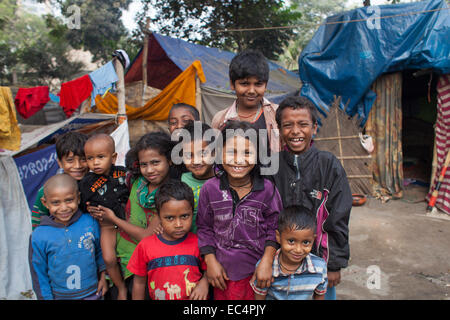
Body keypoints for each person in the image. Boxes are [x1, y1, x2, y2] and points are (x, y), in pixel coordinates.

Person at [272, 95, 352, 300]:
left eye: (303, 124)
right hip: (277, 263)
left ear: (314, 128)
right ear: (280, 131)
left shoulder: (329, 165)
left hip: (318, 263)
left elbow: (339, 216)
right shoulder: (271, 166)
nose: (296, 131)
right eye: (288, 125)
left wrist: (334, 264)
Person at [196, 120, 283, 300]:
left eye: (247, 153)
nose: (239, 159)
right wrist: (210, 261)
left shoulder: (268, 190)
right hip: (222, 275)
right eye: (231, 152)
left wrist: (266, 261)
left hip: (258, 274)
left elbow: (274, 229)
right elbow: (204, 228)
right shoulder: (209, 189)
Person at [94, 131, 174, 299]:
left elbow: (146, 237)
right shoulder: (136, 182)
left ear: (170, 160)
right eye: (144, 164)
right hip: (120, 258)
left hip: (143, 268)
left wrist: (113, 219)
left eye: (155, 162)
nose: (150, 170)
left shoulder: (170, 195)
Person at [29, 174, 107, 300]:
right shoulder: (39, 235)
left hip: (93, 294)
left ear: (78, 198)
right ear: (45, 203)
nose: (63, 208)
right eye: (55, 203)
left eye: (69, 200)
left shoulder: (90, 222)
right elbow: (39, 274)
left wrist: (104, 278)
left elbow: (100, 252)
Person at [127, 180, 209, 300]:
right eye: (170, 218)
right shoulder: (146, 246)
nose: (178, 224)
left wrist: (204, 283)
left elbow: (210, 270)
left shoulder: (199, 243)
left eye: (185, 216)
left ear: (192, 213)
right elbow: (139, 283)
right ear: (159, 216)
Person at [78, 133, 129, 300]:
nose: (95, 162)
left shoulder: (124, 174)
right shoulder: (86, 183)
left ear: (113, 157)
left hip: (127, 222)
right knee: (109, 259)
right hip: (106, 227)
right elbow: (82, 207)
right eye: (90, 158)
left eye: (101, 157)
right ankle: (120, 287)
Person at [251, 205, 328, 300]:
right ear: (278, 237)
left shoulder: (319, 268)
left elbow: (319, 296)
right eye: (291, 241)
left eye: (306, 242)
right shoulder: (266, 269)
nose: (298, 250)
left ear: (313, 239)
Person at [211, 49, 280, 153]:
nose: (251, 91)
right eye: (244, 84)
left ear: (266, 85)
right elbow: (216, 156)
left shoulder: (278, 114)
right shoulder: (220, 120)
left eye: (258, 84)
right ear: (232, 84)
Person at [31, 131, 89, 230]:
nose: (77, 166)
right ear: (60, 163)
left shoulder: (97, 184)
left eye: (83, 159)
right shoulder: (47, 191)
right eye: (70, 160)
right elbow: (37, 226)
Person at [180, 121, 216, 233]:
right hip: (189, 243)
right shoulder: (182, 181)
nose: (196, 161)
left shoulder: (224, 180)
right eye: (189, 155)